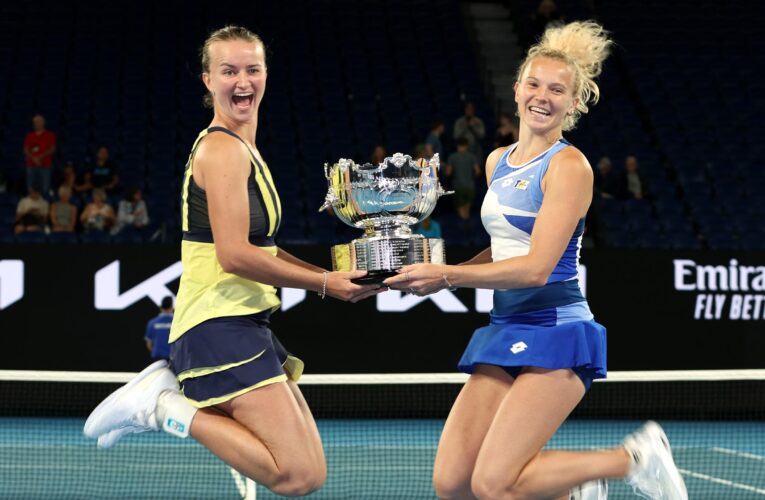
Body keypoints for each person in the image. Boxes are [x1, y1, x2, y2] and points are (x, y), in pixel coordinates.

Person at [385, 21, 687, 500]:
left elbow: (535, 268)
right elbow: (506, 248)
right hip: (506, 327)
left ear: (573, 102)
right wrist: (429, 270)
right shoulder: (497, 161)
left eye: (557, 90)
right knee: (453, 483)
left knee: (494, 483)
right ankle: (571, 488)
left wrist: (446, 275)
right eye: (534, 84)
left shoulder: (570, 166)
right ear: (517, 88)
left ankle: (633, 458)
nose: (542, 97)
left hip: (556, 328)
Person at [83, 25, 380, 497]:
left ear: (266, 74)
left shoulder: (245, 148)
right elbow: (235, 254)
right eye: (228, 71)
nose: (242, 82)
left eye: (252, 69)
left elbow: (258, 246)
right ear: (207, 80)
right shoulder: (221, 149)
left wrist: (331, 276)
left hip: (242, 320)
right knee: (298, 474)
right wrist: (325, 284)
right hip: (217, 323)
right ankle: (164, 408)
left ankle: (166, 400)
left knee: (310, 470)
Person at [446, 137, 481, 222]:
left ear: (457, 145)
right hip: (470, 186)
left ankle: (464, 229)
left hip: (458, 187)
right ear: (467, 146)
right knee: (467, 211)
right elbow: (478, 171)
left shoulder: (452, 157)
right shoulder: (472, 156)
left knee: (461, 213)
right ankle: (467, 230)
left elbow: (448, 173)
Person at [23, 114, 56, 196]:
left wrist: (40, 157)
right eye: (35, 122)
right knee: (30, 187)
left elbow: (52, 149)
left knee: (45, 188)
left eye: (39, 121)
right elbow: (26, 149)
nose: (37, 123)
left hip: (45, 166)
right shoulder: (29, 135)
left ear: (44, 122)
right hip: (31, 165)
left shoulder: (50, 135)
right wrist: (34, 158)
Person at [145, 296, 174, 361]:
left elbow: (149, 344)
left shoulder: (152, 322)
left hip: (157, 356)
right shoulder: (176, 322)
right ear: (172, 307)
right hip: (173, 357)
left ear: (161, 307)